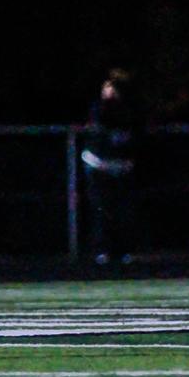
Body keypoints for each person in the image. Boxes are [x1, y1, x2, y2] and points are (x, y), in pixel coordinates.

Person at [79, 67, 140, 266]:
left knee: (123, 211)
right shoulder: (98, 108)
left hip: (120, 167)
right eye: (108, 87)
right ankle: (101, 250)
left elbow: (133, 136)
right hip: (99, 165)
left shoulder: (129, 110)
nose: (111, 91)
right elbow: (98, 127)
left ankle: (123, 250)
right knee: (100, 210)